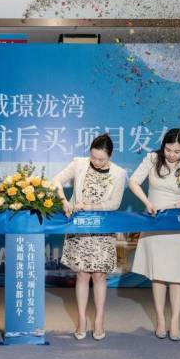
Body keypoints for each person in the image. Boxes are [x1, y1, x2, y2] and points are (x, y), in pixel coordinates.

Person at [129, 128, 180, 341]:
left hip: (177, 224)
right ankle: (161, 320)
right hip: (155, 223)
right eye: (168, 149)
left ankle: (175, 321)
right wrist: (147, 202)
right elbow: (133, 182)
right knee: (158, 273)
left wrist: (175, 207)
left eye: (177, 151)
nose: (171, 154)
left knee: (177, 275)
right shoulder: (152, 159)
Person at [52, 133, 127, 341]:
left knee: (99, 275)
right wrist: (64, 200)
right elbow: (56, 180)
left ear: (110, 156)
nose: (96, 162)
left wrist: (89, 206)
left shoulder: (119, 173)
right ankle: (81, 319)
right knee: (82, 275)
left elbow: (114, 204)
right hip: (79, 229)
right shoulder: (79, 163)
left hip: (102, 229)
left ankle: (99, 319)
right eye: (93, 157)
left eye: (101, 159)